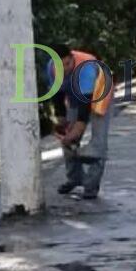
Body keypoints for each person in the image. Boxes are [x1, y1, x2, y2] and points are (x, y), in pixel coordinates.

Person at [45, 43, 113, 199]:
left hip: (99, 93)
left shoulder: (86, 68)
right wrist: (61, 119)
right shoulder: (51, 67)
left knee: (98, 143)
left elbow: (84, 111)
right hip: (76, 94)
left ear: (72, 58)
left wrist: (77, 129)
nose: (64, 69)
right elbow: (56, 94)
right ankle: (75, 178)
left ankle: (91, 187)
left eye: (67, 64)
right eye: (60, 66)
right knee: (67, 138)